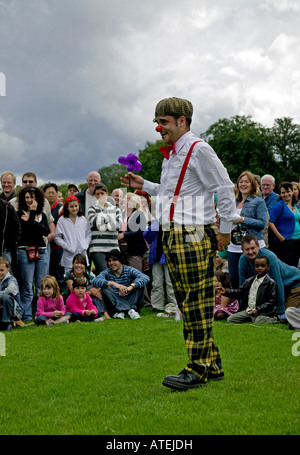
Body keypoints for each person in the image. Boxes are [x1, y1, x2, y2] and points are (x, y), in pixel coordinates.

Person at [121, 96, 237, 390]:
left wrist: (224, 230)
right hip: (173, 233)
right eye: (157, 122)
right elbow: (170, 192)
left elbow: (224, 188)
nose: (159, 128)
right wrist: (143, 185)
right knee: (188, 303)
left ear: (182, 121)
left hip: (193, 234)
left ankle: (197, 368)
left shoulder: (199, 150)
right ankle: (212, 363)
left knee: (194, 303)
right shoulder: (172, 155)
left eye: (163, 122)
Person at [239, 234, 300, 314]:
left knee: (289, 314)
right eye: (247, 249)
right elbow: (244, 286)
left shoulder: (269, 257)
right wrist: (243, 308)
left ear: (258, 246)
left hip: (294, 285)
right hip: (282, 288)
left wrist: (280, 310)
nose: (250, 252)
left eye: (253, 248)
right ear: (242, 250)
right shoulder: (243, 260)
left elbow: (277, 284)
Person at [227, 171, 267, 288]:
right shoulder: (233, 201)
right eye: (241, 182)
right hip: (233, 246)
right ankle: (238, 305)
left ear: (252, 184)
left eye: (247, 182)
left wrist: (242, 219)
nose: (243, 184)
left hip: (251, 246)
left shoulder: (258, 201)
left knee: (251, 279)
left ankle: (252, 304)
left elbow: (262, 223)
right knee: (234, 278)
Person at [16, 187, 50, 321]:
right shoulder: (19, 214)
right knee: (27, 285)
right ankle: (26, 314)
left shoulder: (42, 214)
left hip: (42, 251)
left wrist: (32, 219)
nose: (30, 200)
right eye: (27, 197)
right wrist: (32, 214)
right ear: (23, 199)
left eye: (33, 197)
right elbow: (27, 231)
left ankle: (40, 312)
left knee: (42, 285)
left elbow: (46, 232)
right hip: (25, 251)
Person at [92, 249, 150, 319]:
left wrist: (129, 288)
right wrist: (113, 284)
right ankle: (129, 310)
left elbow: (145, 278)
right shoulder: (107, 272)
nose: (111, 263)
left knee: (139, 283)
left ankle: (123, 311)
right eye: (109, 261)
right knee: (105, 288)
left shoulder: (129, 270)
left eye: (114, 260)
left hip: (131, 300)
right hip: (116, 302)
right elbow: (95, 280)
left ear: (120, 261)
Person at [220, 256, 278, 324]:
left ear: (268, 267)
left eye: (263, 266)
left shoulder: (270, 283)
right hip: (249, 311)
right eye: (257, 266)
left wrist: (258, 309)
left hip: (262, 312)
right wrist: (226, 292)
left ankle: (275, 319)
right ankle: (251, 318)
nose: (259, 268)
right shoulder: (249, 281)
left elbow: (271, 301)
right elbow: (240, 293)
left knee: (258, 321)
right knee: (230, 319)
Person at [143, 219, 178, 317]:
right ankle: (157, 306)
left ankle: (174, 305)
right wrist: (157, 224)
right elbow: (147, 236)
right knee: (156, 283)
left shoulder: (174, 222)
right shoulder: (157, 223)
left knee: (170, 282)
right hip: (156, 257)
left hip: (170, 256)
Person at [88, 183, 122, 275]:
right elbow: (93, 222)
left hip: (113, 247)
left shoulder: (116, 209)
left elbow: (118, 225)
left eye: (102, 193)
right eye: (97, 194)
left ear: (107, 193)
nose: (100, 196)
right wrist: (111, 218)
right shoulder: (92, 209)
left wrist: (100, 218)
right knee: (103, 273)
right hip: (97, 248)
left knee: (115, 274)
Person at [62, 253, 109, 319]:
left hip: (86, 298)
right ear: (73, 264)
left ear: (85, 265)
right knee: (91, 288)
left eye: (81, 264)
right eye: (77, 263)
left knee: (96, 290)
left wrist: (96, 290)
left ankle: (103, 312)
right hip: (72, 298)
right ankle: (102, 313)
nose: (79, 265)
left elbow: (98, 284)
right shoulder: (69, 275)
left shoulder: (89, 274)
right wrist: (91, 292)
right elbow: (74, 291)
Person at [54, 196, 91, 274]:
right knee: (69, 278)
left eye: (76, 206)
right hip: (69, 256)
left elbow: (88, 234)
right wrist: (67, 246)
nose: (74, 208)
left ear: (79, 206)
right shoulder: (62, 220)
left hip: (82, 254)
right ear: (67, 207)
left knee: (82, 279)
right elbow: (57, 237)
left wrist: (85, 245)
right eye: (71, 206)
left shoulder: (83, 219)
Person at [269, 182, 300, 267]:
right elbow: (270, 222)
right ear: (280, 194)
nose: (286, 194)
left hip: (297, 240)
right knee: (287, 266)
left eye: (288, 191)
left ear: (292, 192)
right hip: (286, 240)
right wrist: (280, 237)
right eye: (283, 192)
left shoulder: (295, 205)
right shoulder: (279, 206)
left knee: (295, 266)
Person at [43, 183, 64, 288]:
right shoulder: (42, 208)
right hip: (45, 246)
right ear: (44, 194)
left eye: (53, 193)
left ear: (56, 194)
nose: (50, 195)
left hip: (58, 247)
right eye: (48, 193)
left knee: (59, 275)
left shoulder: (61, 209)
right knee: (47, 275)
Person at [0, 257, 23, 331]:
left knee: (5, 297)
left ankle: (8, 323)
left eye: (2, 270)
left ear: (7, 270)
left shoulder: (11, 280)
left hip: (14, 311)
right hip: (2, 308)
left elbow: (10, 290)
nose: (0, 273)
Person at [0, 198, 21, 270]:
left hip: (4, 251)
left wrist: (9, 245)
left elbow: (17, 227)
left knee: (5, 276)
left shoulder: (7, 207)